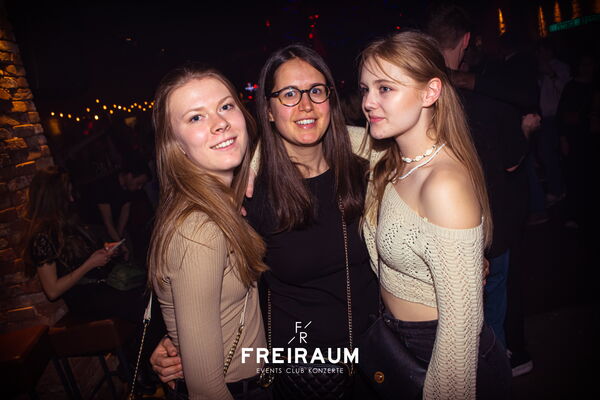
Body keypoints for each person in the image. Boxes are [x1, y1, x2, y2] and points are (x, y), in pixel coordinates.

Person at [151, 45, 380, 400]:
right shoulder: (248, 198)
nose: (305, 104)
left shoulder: (370, 171)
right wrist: (175, 340)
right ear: (268, 110)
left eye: (316, 91)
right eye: (288, 94)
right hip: (302, 372)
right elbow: (185, 283)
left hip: (375, 356)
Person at [359, 31, 511, 399]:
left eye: (384, 88)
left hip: (443, 354)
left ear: (430, 93)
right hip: (399, 338)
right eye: (365, 89)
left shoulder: (443, 185)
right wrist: (244, 164)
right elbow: (326, 143)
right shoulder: (391, 159)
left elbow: (462, 327)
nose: (368, 102)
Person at [148, 64, 269, 399]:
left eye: (226, 106)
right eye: (196, 117)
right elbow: (205, 389)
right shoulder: (200, 230)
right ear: (176, 144)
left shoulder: (222, 205)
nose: (220, 123)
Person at [22, 166, 145, 322]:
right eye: (67, 195)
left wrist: (104, 252)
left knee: (144, 290)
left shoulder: (65, 224)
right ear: (53, 198)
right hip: (83, 298)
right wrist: (90, 263)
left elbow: (77, 260)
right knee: (138, 302)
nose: (71, 199)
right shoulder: (42, 237)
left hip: (98, 287)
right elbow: (52, 291)